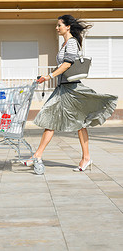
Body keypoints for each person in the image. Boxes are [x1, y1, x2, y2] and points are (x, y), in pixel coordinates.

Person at [24, 15, 118, 171]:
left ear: (67, 27)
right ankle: (38, 155)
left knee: (77, 124)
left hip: (71, 90)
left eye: (59, 25)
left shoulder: (72, 43)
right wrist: (47, 77)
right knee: (54, 121)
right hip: (63, 89)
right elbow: (62, 66)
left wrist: (49, 76)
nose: (57, 27)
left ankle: (84, 158)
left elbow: (67, 64)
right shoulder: (65, 44)